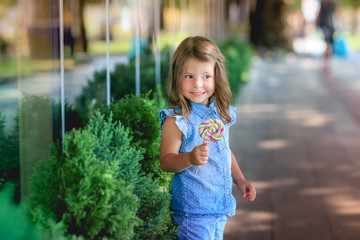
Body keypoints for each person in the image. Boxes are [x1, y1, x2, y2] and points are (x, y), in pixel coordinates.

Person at [159, 36, 256, 240]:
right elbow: (166, 161)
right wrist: (189, 158)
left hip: (217, 207)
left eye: (206, 76)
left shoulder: (218, 114)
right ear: (177, 77)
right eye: (189, 76)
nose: (198, 84)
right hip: (192, 212)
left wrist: (239, 179)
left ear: (216, 77)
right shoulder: (177, 120)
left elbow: (223, 151)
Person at [316, 0, 338, 71]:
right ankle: (327, 64)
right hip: (329, 25)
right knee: (329, 45)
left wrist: (317, 23)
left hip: (327, 25)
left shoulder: (326, 3)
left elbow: (320, 13)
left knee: (328, 45)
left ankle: (326, 64)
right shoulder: (331, 3)